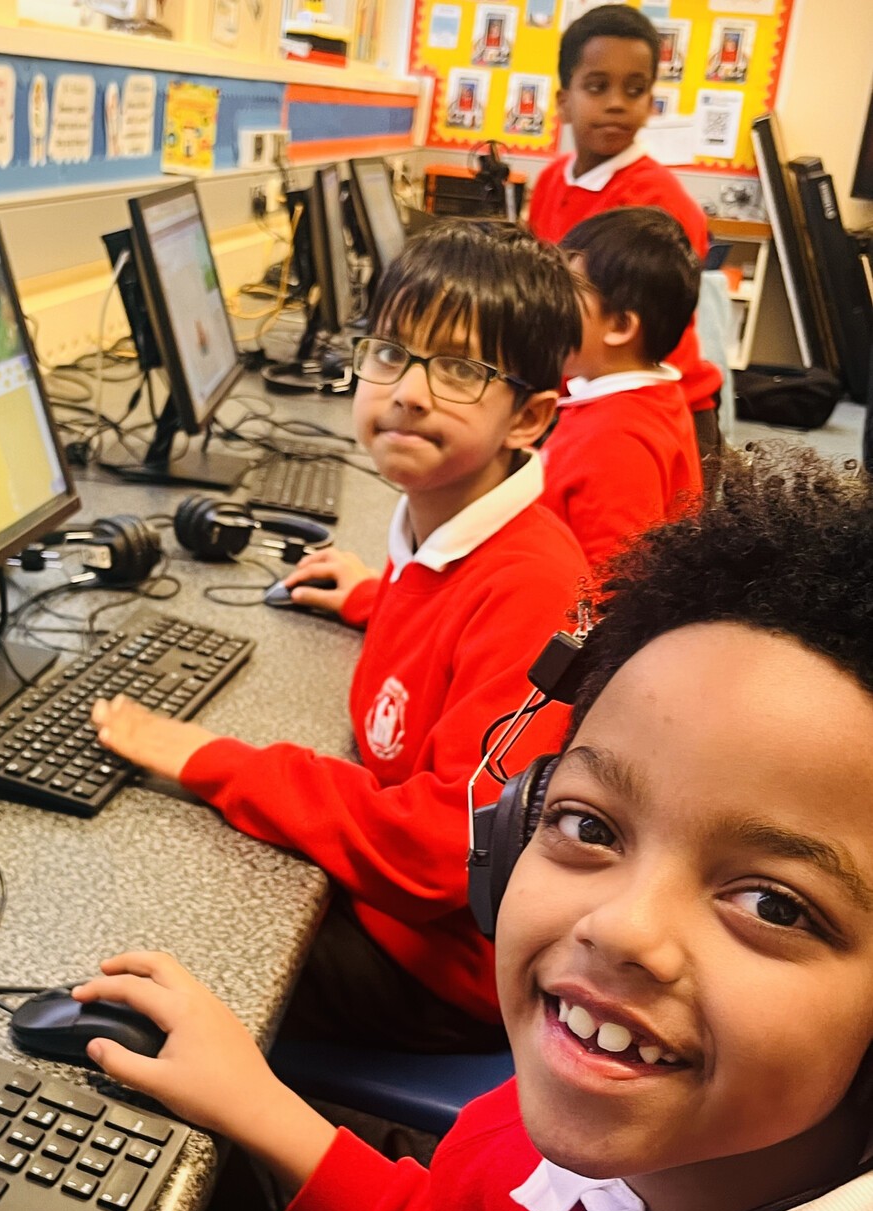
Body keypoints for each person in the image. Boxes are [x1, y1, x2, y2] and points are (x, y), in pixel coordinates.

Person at [77, 447, 873, 1211]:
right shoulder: (536, 1129)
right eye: (587, 825)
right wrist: (257, 1102)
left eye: (771, 904)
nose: (622, 930)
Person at [93, 221, 587, 1051]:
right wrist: (375, 596)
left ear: (530, 418)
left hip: (442, 968)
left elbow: (446, 845)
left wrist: (218, 762)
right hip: (394, 908)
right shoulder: (443, 527)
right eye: (390, 353)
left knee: (147, 952)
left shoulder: (532, 586)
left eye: (460, 371)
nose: (409, 392)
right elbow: (442, 617)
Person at [527, 3, 724, 458]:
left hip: (647, 413)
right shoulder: (552, 180)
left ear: (650, 102)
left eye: (634, 89)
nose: (616, 102)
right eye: (597, 86)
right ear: (563, 101)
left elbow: (641, 341)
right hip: (579, 397)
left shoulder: (659, 202)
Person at [541, 206, 703, 571]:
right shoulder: (648, 399)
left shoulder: (615, 439)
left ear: (619, 326)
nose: (546, 305)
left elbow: (614, 582)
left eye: (566, 292)